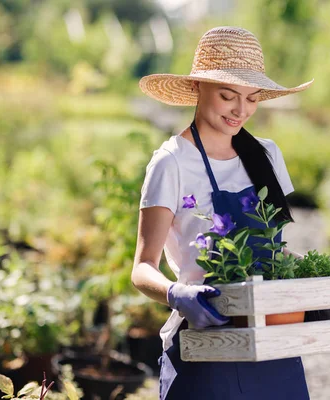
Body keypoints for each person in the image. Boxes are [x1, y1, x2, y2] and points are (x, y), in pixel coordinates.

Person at [132, 26, 314, 400]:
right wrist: (177, 293)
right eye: (228, 96)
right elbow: (142, 267)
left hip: (272, 342)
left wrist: (322, 283)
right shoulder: (172, 163)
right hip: (204, 346)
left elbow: (274, 253)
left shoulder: (266, 155)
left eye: (252, 98)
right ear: (199, 88)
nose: (241, 110)